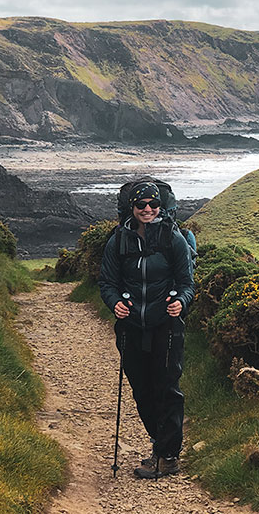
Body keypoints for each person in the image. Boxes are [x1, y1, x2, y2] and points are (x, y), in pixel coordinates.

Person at [98, 181, 195, 478]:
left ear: (161, 206)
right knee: (142, 390)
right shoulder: (118, 241)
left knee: (167, 389)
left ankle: (168, 456)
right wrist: (115, 304)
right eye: (141, 205)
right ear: (132, 208)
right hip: (131, 328)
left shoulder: (173, 239)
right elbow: (107, 284)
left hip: (166, 325)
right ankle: (159, 444)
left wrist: (180, 301)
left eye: (153, 204)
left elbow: (187, 284)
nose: (148, 210)